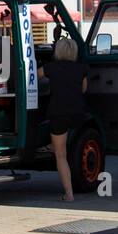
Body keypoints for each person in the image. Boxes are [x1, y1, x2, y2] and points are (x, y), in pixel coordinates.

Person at [40, 35, 89, 201]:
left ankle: (69, 194)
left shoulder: (50, 67)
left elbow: (32, 76)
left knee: (61, 155)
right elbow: (83, 89)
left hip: (58, 114)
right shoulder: (81, 68)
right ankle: (49, 145)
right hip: (77, 114)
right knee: (67, 147)